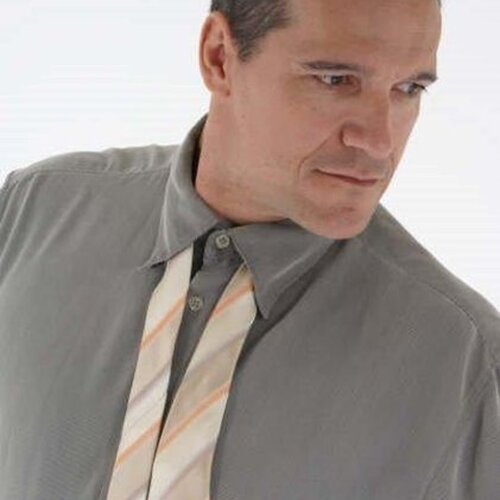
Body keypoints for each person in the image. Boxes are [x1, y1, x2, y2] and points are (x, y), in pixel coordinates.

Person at [0, 0, 498, 498]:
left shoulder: (464, 364)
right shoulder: (31, 213)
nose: (379, 141)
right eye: (335, 80)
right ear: (219, 56)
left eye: (409, 89)